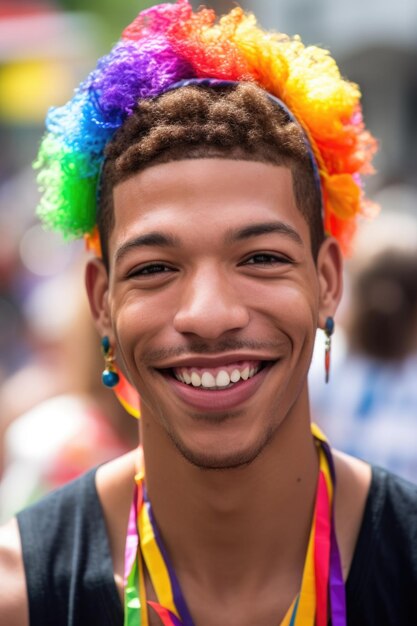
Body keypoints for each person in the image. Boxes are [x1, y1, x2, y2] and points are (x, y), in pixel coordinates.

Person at [1, 2, 416, 624]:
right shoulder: (20, 598)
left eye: (261, 258)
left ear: (327, 281)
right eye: (154, 268)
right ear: (101, 302)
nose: (209, 315)